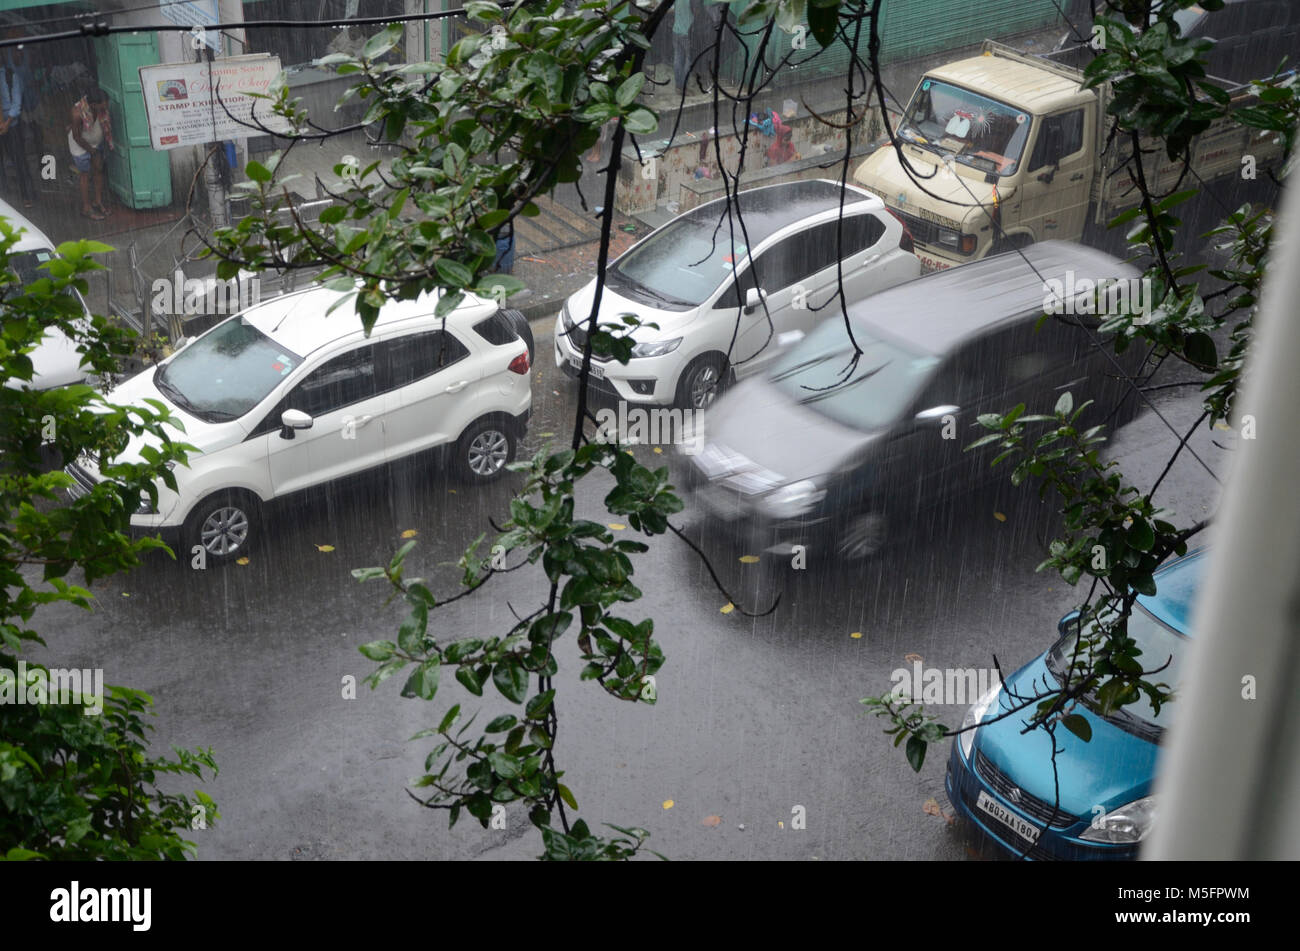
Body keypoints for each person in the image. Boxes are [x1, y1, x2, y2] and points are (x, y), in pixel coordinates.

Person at [68, 88, 114, 220]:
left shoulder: (100, 110)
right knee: (85, 175)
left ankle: (97, 202)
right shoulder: (77, 113)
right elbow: (77, 137)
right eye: (104, 104)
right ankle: (86, 208)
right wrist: (91, 151)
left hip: (95, 144)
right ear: (93, 105)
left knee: (98, 170)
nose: (107, 106)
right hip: (80, 146)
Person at [0, 47, 34, 208]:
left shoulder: (10, 76)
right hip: (5, 125)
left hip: (11, 125)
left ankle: (27, 194)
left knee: (19, 160)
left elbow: (16, 103)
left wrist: (6, 123)